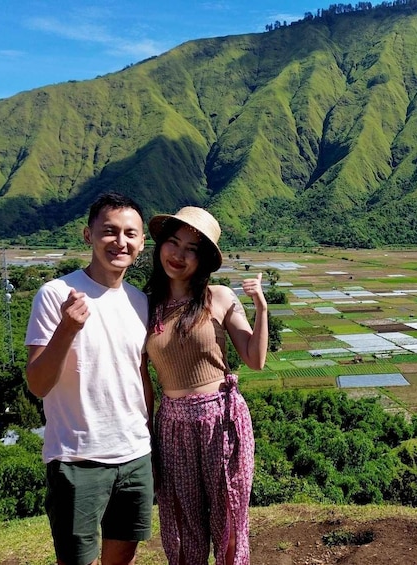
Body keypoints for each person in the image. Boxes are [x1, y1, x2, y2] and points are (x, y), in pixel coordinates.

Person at [24, 192, 154, 565]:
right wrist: (67, 328)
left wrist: (151, 440)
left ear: (142, 242)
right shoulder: (56, 294)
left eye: (130, 233)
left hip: (134, 454)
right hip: (77, 457)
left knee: (122, 557)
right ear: (88, 235)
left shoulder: (139, 301)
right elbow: (37, 383)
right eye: (109, 231)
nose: (120, 241)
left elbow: (140, 375)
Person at [143, 206, 267, 565]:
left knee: (228, 521)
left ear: (205, 259)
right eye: (173, 242)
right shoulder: (146, 306)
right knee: (183, 528)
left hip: (221, 420)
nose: (179, 255)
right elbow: (142, 382)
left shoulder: (220, 297)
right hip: (171, 425)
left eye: (192, 249)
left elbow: (254, 359)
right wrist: (147, 438)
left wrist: (261, 306)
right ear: (161, 246)